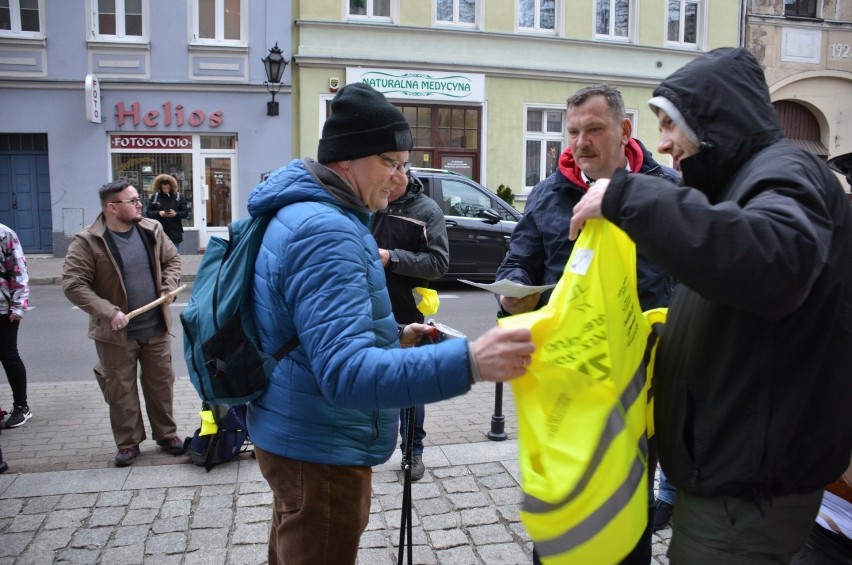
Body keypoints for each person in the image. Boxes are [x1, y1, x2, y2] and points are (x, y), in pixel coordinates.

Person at [569, 47, 852, 564]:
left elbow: (774, 262)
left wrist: (627, 197)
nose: (663, 142)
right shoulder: (743, 184)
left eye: (671, 123)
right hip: (731, 471)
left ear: (714, 120)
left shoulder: (787, 171)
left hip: (745, 489)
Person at [245, 82, 534, 565]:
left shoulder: (307, 213)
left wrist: (393, 337)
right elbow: (345, 375)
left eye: (405, 165)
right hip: (323, 443)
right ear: (346, 159)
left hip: (299, 427)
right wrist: (471, 361)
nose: (401, 180)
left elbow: (308, 331)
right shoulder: (327, 231)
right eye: (391, 163)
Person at [495, 83, 679, 564]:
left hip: (641, 386)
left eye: (593, 129)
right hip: (569, 387)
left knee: (627, 510)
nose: (581, 142)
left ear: (624, 130)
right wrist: (514, 295)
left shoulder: (668, 193)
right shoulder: (547, 196)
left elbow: (689, 280)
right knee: (563, 512)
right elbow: (518, 265)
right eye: (573, 131)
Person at [62, 180, 188, 467]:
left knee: (161, 384)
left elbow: (173, 260)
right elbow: (73, 284)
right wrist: (108, 311)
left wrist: (168, 286)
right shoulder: (88, 240)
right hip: (115, 332)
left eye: (137, 199)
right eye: (132, 201)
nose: (139, 204)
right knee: (120, 388)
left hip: (155, 327)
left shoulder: (152, 229)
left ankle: (166, 435)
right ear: (112, 207)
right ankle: (129, 443)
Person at [371, 170, 450, 482]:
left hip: (407, 310)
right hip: (365, 307)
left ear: (403, 172)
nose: (387, 182)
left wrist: (390, 258)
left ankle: (412, 451)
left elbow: (439, 263)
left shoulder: (427, 211)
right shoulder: (368, 199)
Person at [0, 223, 31, 429]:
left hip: (2, 308)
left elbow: (18, 270)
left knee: (8, 354)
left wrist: (18, 307)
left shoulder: (4, 233)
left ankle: (22, 406)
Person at [145, 173, 188, 251]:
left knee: (174, 254)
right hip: (159, 231)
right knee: (161, 256)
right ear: (160, 187)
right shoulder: (155, 197)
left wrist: (175, 214)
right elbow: (148, 213)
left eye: (167, 188)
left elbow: (185, 213)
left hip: (174, 231)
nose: (166, 190)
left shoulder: (178, 197)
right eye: (164, 188)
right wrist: (159, 213)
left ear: (171, 187)